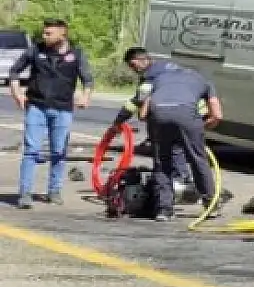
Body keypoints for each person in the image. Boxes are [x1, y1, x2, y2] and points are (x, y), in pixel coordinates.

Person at [115, 47, 224, 221]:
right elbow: (217, 115)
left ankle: (164, 210)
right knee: (198, 160)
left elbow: (142, 113)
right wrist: (203, 126)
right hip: (187, 117)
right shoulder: (203, 81)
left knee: (162, 162)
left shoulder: (158, 78)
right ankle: (211, 205)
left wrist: (119, 122)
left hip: (160, 116)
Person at [8, 19, 93, 208]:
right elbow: (14, 71)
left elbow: (87, 79)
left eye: (49, 33)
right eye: (44, 33)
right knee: (31, 151)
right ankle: (25, 193)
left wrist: (86, 96)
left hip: (63, 109)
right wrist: (17, 93)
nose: (44, 36)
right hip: (36, 107)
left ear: (62, 35)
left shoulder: (76, 54)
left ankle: (54, 191)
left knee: (58, 152)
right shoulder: (35, 51)